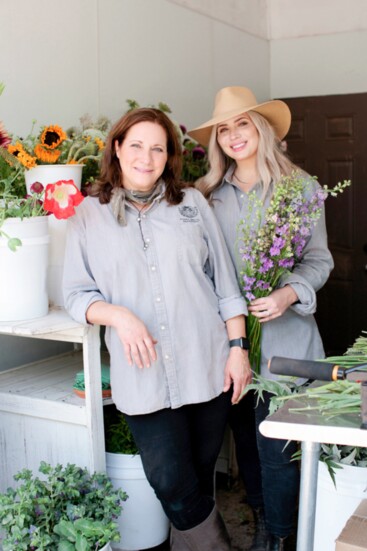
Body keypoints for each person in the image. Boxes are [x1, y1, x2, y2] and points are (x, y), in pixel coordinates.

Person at [63, 107, 253, 550]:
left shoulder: (191, 204)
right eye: (136, 146)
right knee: (170, 481)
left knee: (197, 485)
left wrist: (238, 348)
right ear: (116, 148)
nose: (146, 158)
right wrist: (119, 315)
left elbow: (225, 285)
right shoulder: (88, 213)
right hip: (143, 374)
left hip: (206, 363)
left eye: (157, 148)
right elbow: (75, 294)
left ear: (169, 156)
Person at [188, 86, 334, 551]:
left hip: (287, 347)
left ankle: (278, 534)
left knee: (278, 449)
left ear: (262, 129)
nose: (233, 135)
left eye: (242, 124)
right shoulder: (204, 197)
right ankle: (262, 515)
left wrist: (289, 293)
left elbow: (320, 259)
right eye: (224, 129)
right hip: (231, 346)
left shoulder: (301, 189)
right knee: (245, 443)